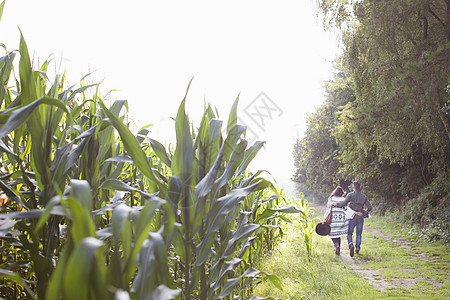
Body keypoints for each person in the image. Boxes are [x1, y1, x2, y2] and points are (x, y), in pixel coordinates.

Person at [333, 181, 372, 257]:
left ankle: (350, 244)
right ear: (360, 188)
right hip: (360, 218)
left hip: (352, 217)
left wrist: (336, 204)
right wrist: (363, 212)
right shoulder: (363, 196)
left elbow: (343, 204)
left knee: (349, 233)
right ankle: (357, 249)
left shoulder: (350, 195)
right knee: (359, 234)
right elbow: (369, 207)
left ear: (353, 187)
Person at [325, 186, 348, 256]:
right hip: (341, 219)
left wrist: (324, 218)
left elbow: (328, 209)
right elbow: (346, 208)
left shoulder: (331, 199)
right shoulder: (344, 199)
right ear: (342, 193)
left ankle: (336, 244)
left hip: (333, 219)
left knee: (332, 233)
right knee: (339, 234)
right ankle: (338, 248)